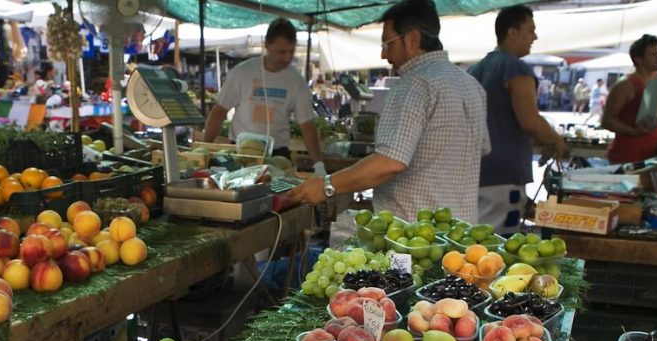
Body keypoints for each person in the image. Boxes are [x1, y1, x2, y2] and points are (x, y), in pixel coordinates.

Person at [288, 0, 490, 222]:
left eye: (388, 44)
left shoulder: (414, 83)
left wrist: (327, 185)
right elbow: (482, 149)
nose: (384, 55)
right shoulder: (471, 85)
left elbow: (389, 163)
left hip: (411, 234)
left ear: (413, 39)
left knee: (391, 252)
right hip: (460, 233)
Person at [468, 5, 565, 233]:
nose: (535, 37)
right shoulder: (515, 68)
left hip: (475, 170)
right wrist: (556, 140)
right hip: (504, 174)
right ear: (512, 32)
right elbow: (530, 121)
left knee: (475, 238)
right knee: (498, 242)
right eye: (530, 30)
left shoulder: (475, 69)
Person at [202, 18, 323, 165]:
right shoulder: (242, 73)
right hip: (241, 152)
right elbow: (219, 112)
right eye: (282, 52)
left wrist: (318, 164)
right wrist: (204, 150)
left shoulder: (297, 81)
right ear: (267, 45)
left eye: (291, 51)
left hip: (278, 154)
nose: (287, 57)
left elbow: (307, 126)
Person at [602, 34, 657, 164]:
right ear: (638, 59)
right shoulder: (625, 85)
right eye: (653, 55)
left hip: (653, 155)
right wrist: (635, 132)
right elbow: (607, 121)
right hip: (627, 156)